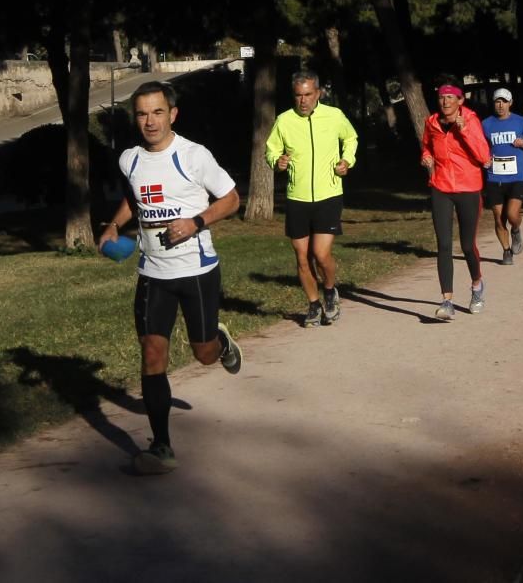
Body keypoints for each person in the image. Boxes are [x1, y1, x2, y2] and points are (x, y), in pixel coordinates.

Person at [98, 80, 242, 475]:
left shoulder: (194, 156)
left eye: (157, 112)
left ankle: (220, 341)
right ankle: (162, 446)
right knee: (152, 354)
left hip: (196, 272)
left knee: (203, 354)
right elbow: (135, 198)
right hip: (152, 273)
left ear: (172, 114)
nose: (150, 121)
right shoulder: (129, 159)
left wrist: (196, 222)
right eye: (142, 113)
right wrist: (114, 225)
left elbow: (231, 199)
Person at [265, 70, 358, 327]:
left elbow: (350, 138)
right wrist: (278, 161)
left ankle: (329, 290)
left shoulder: (334, 116)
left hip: (329, 194)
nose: (303, 101)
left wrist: (346, 161)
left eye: (308, 94)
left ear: (318, 93)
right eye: (298, 95)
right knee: (301, 256)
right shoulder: (284, 121)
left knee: (320, 253)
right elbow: (271, 150)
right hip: (297, 197)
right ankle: (314, 304)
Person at [420, 81, 491, 320]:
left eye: (451, 97)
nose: (445, 101)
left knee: (468, 245)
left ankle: (477, 286)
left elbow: (484, 157)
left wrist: (465, 131)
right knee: (444, 245)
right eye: (442, 97)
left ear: (461, 101)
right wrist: (427, 158)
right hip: (441, 187)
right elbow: (426, 147)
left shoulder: (471, 120)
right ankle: (447, 301)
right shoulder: (431, 122)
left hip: (468, 187)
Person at [482, 88, 523, 265]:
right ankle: (506, 251)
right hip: (494, 176)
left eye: (504, 101)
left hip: (516, 176)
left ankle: (516, 229)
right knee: (499, 218)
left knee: (512, 215)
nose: (500, 105)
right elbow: (479, 145)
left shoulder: (520, 121)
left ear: (510, 103)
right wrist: (483, 158)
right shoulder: (486, 124)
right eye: (497, 101)